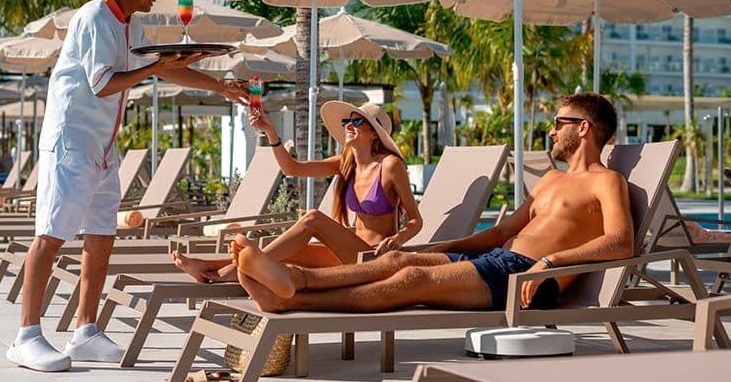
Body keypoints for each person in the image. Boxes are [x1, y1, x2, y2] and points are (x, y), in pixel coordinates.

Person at [6, 0, 248, 372]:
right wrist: (156, 69)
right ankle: (25, 337)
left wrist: (220, 86)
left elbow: (162, 67)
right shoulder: (94, 18)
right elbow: (103, 85)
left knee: (101, 234)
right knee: (51, 235)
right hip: (71, 142)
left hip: (102, 145)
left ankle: (85, 331)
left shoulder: (130, 25)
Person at [232, 92, 635, 314]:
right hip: (495, 261)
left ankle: (294, 295)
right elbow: (502, 232)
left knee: (412, 282)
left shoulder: (607, 181)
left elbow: (620, 242)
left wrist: (551, 262)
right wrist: (439, 248)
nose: (551, 131)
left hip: (524, 278)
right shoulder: (550, 180)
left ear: (583, 129)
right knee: (396, 262)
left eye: (558, 123)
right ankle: (289, 280)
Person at [171, 100, 423, 284]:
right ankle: (212, 269)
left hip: (374, 260)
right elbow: (292, 168)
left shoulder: (390, 166)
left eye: (357, 122)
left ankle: (227, 272)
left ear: (373, 134)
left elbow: (416, 220)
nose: (348, 125)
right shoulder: (346, 164)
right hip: (349, 255)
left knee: (313, 218)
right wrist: (271, 133)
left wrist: (399, 238)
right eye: (347, 121)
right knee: (285, 251)